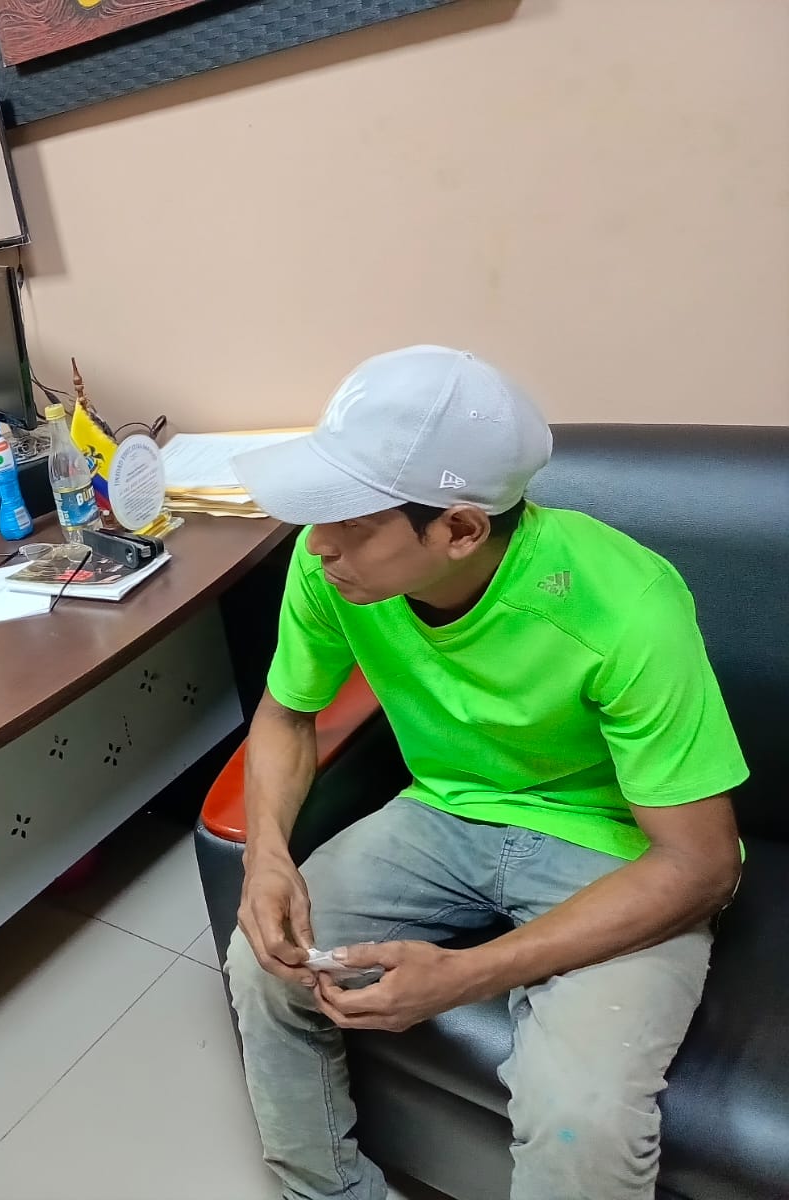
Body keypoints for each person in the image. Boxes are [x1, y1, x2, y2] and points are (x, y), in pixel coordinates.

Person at [225, 346, 747, 1200]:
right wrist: (267, 857)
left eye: (352, 520)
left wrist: (468, 975)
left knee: (582, 1119)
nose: (319, 545)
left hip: (616, 847)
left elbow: (702, 864)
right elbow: (287, 713)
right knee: (264, 961)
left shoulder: (628, 609)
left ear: (461, 530)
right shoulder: (330, 571)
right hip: (443, 812)